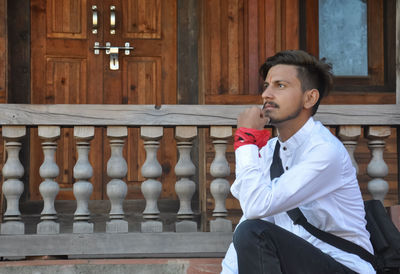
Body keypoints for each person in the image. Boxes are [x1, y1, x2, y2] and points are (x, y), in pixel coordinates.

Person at [221, 50, 375, 274]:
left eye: (280, 85)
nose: (266, 94)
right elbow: (251, 215)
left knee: (254, 233)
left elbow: (256, 205)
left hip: (343, 266)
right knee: (249, 229)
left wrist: (245, 140)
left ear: (309, 98)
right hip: (297, 265)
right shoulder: (271, 150)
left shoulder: (324, 151)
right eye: (266, 85)